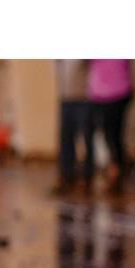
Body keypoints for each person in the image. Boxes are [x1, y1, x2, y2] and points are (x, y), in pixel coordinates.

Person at [88, 59, 134, 194]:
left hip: (117, 92)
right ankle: (115, 169)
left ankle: (116, 170)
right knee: (109, 134)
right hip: (101, 92)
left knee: (114, 134)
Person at [53, 60, 94, 194]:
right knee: (65, 138)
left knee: (86, 138)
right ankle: (67, 174)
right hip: (66, 97)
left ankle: (87, 177)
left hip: (84, 98)